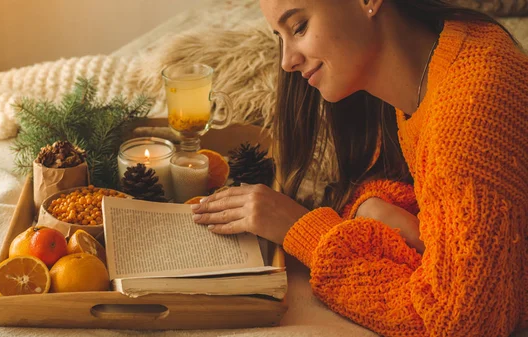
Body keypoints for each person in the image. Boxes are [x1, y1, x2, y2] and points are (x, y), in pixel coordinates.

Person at [190, 0, 527, 336]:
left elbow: (460, 324)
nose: (287, 61)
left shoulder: (467, 113)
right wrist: (376, 206)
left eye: (299, 28)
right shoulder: (438, 59)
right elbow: (444, 193)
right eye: (280, 37)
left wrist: (304, 231)